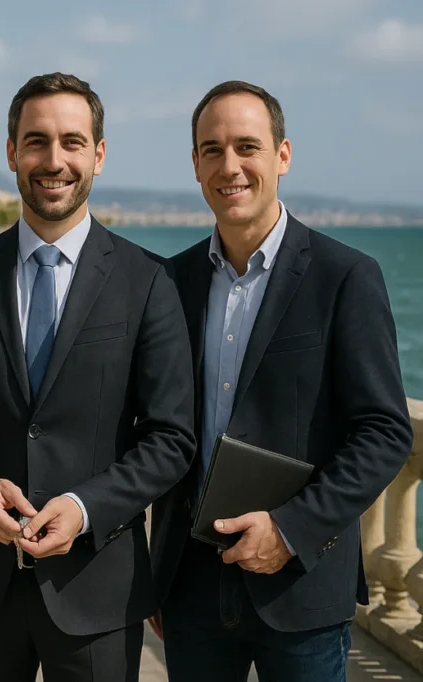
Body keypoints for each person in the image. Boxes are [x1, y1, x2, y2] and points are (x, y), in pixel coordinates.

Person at [0, 72, 197, 682]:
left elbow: (172, 437)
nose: (54, 159)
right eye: (36, 141)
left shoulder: (148, 281)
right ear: (12, 152)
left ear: (98, 153)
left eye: (72, 141)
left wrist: (84, 506)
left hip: (98, 591)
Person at [148, 81, 415, 682]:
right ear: (194, 164)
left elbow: (384, 432)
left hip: (300, 587)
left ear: (283, 155)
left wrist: (290, 530)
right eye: (211, 150)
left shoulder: (346, 276)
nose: (230, 166)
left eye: (247, 146)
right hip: (189, 585)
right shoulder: (171, 282)